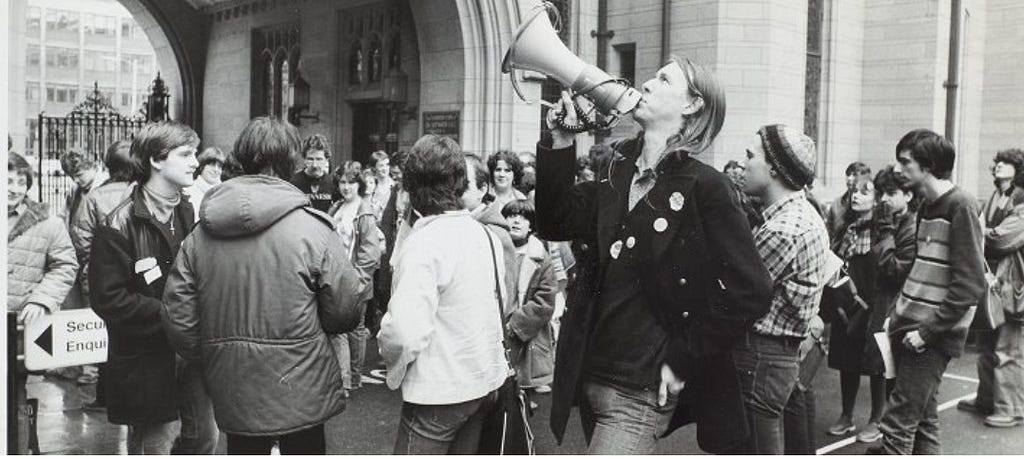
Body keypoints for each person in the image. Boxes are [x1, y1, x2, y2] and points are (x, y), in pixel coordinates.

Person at [536, 57, 774, 454]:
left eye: (663, 79)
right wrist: (560, 141)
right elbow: (555, 221)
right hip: (592, 371)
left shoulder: (706, 187)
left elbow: (751, 290)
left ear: (692, 104)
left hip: (639, 389)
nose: (646, 83)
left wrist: (683, 356)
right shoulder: (617, 170)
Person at [161, 117, 369, 454]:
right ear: (291, 162)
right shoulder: (314, 229)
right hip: (302, 384)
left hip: (233, 385)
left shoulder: (200, 234)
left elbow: (179, 319)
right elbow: (345, 311)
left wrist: (217, 351)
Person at [89, 121, 218, 454]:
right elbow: (109, 300)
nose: (195, 162)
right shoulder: (118, 223)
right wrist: (174, 315)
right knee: (156, 443)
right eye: (186, 154)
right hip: (148, 361)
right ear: (156, 161)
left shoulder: (193, 213)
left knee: (204, 439)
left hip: (192, 354)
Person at [377, 134, 508, 454]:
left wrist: (386, 353)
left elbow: (404, 334)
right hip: (483, 382)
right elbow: (500, 303)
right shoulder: (485, 235)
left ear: (410, 187)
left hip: (439, 392)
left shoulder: (424, 243)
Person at [867, 129, 987, 455]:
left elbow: (970, 283)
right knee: (923, 421)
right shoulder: (927, 205)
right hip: (909, 326)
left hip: (930, 335)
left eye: (905, 162)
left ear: (928, 166)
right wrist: (897, 314)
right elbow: (922, 268)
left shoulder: (960, 205)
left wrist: (927, 331)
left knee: (897, 424)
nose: (897, 169)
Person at [739, 124, 836, 454]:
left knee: (757, 446)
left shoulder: (784, 228)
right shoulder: (800, 214)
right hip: (775, 356)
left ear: (775, 169)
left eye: (751, 156)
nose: (743, 164)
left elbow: (736, 293)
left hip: (761, 355)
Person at [7, 152, 79, 454]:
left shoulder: (47, 222)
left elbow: (65, 265)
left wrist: (42, 299)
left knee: (13, 400)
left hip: (16, 327)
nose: (14, 188)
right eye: (8, 180)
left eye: (21, 182)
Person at [958, 147, 1024, 428]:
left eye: (1007, 163)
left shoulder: (1021, 201)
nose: (999, 165)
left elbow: (1002, 239)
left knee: (1009, 350)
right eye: (998, 161)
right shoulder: (996, 197)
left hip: (1015, 286)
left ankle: (1010, 407)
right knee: (986, 344)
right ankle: (986, 398)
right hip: (992, 283)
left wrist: (977, 232)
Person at [67, 140, 136, 409]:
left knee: (102, 337)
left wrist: (94, 265)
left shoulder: (95, 196)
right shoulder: (143, 192)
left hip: (100, 278)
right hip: (137, 279)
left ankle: (105, 396)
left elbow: (80, 237)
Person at [824, 176, 888, 443]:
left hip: (873, 304)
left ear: (877, 199)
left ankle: (877, 418)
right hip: (846, 305)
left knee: (876, 365)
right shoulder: (844, 227)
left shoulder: (882, 230)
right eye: (854, 190)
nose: (856, 195)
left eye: (865, 191)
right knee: (846, 361)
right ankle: (847, 416)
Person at [327, 168, 383, 395]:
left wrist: (357, 282)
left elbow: (370, 253)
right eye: (342, 182)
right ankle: (344, 378)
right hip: (337, 278)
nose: (346, 187)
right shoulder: (337, 207)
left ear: (359, 184)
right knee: (341, 329)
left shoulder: (365, 213)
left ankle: (354, 377)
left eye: (351, 182)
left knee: (355, 329)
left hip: (355, 279)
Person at [56, 148, 108, 383]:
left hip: (92, 259)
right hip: (76, 258)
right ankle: (77, 364)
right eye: (72, 176)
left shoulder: (103, 189)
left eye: (80, 174)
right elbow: (64, 216)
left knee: (92, 313)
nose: (77, 180)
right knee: (76, 313)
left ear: (93, 165)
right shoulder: (75, 190)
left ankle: (93, 369)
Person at [501, 199, 559, 400]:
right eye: (511, 215)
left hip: (526, 335)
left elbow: (545, 300)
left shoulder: (540, 258)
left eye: (523, 217)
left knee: (522, 391)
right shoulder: (496, 251)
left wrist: (515, 323)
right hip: (497, 328)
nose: (516, 221)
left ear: (531, 226)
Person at [291, 134, 340, 212]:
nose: (314, 165)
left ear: (326, 159)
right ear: (304, 159)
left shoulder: (333, 183)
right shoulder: (293, 183)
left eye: (319, 159)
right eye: (310, 159)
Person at [827, 162, 872, 239]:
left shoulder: (867, 205)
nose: (849, 178)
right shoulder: (836, 204)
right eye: (848, 175)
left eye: (854, 175)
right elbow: (829, 231)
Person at [183, 146, 227, 220]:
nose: (216, 170)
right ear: (202, 166)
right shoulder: (188, 191)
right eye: (212, 165)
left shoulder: (223, 192)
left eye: (219, 167)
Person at [369, 150, 394, 217]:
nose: (385, 168)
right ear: (374, 168)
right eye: (381, 165)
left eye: (387, 165)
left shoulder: (394, 186)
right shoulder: (370, 186)